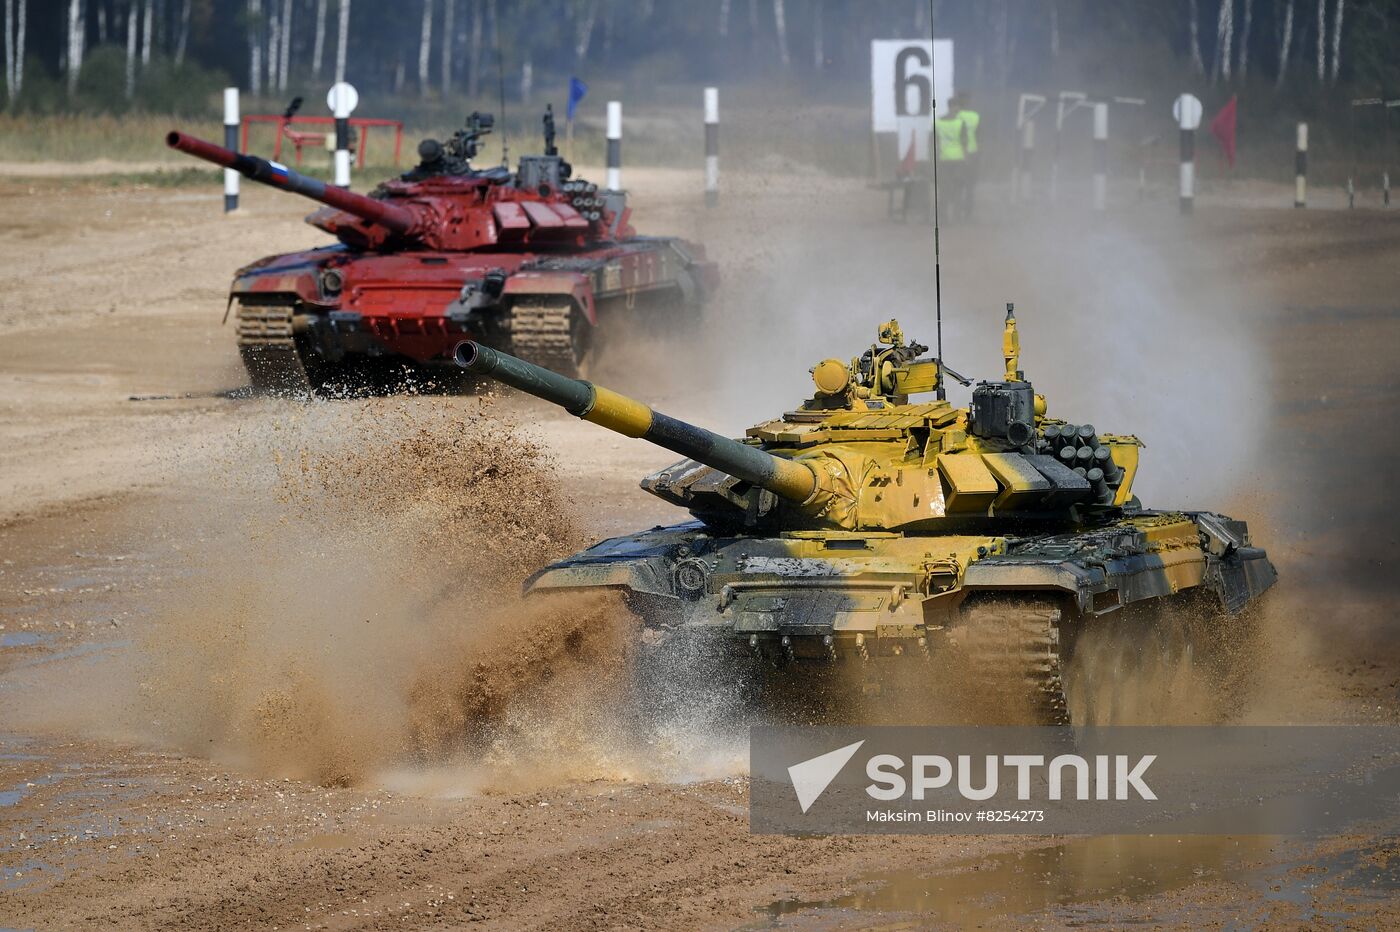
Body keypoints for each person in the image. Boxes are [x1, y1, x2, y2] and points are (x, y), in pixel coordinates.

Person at [932, 97, 968, 221]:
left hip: (943, 159)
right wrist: (966, 158)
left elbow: (934, 141)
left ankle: (943, 216)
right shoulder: (960, 123)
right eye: (957, 106)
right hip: (957, 159)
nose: (958, 109)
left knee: (944, 188)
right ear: (953, 107)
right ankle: (956, 216)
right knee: (957, 187)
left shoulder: (938, 122)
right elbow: (964, 142)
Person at [956, 91, 981, 218]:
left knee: (958, 185)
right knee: (969, 185)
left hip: (957, 155)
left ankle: (958, 212)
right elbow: (980, 136)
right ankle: (967, 213)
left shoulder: (954, 115)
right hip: (972, 153)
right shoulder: (975, 116)